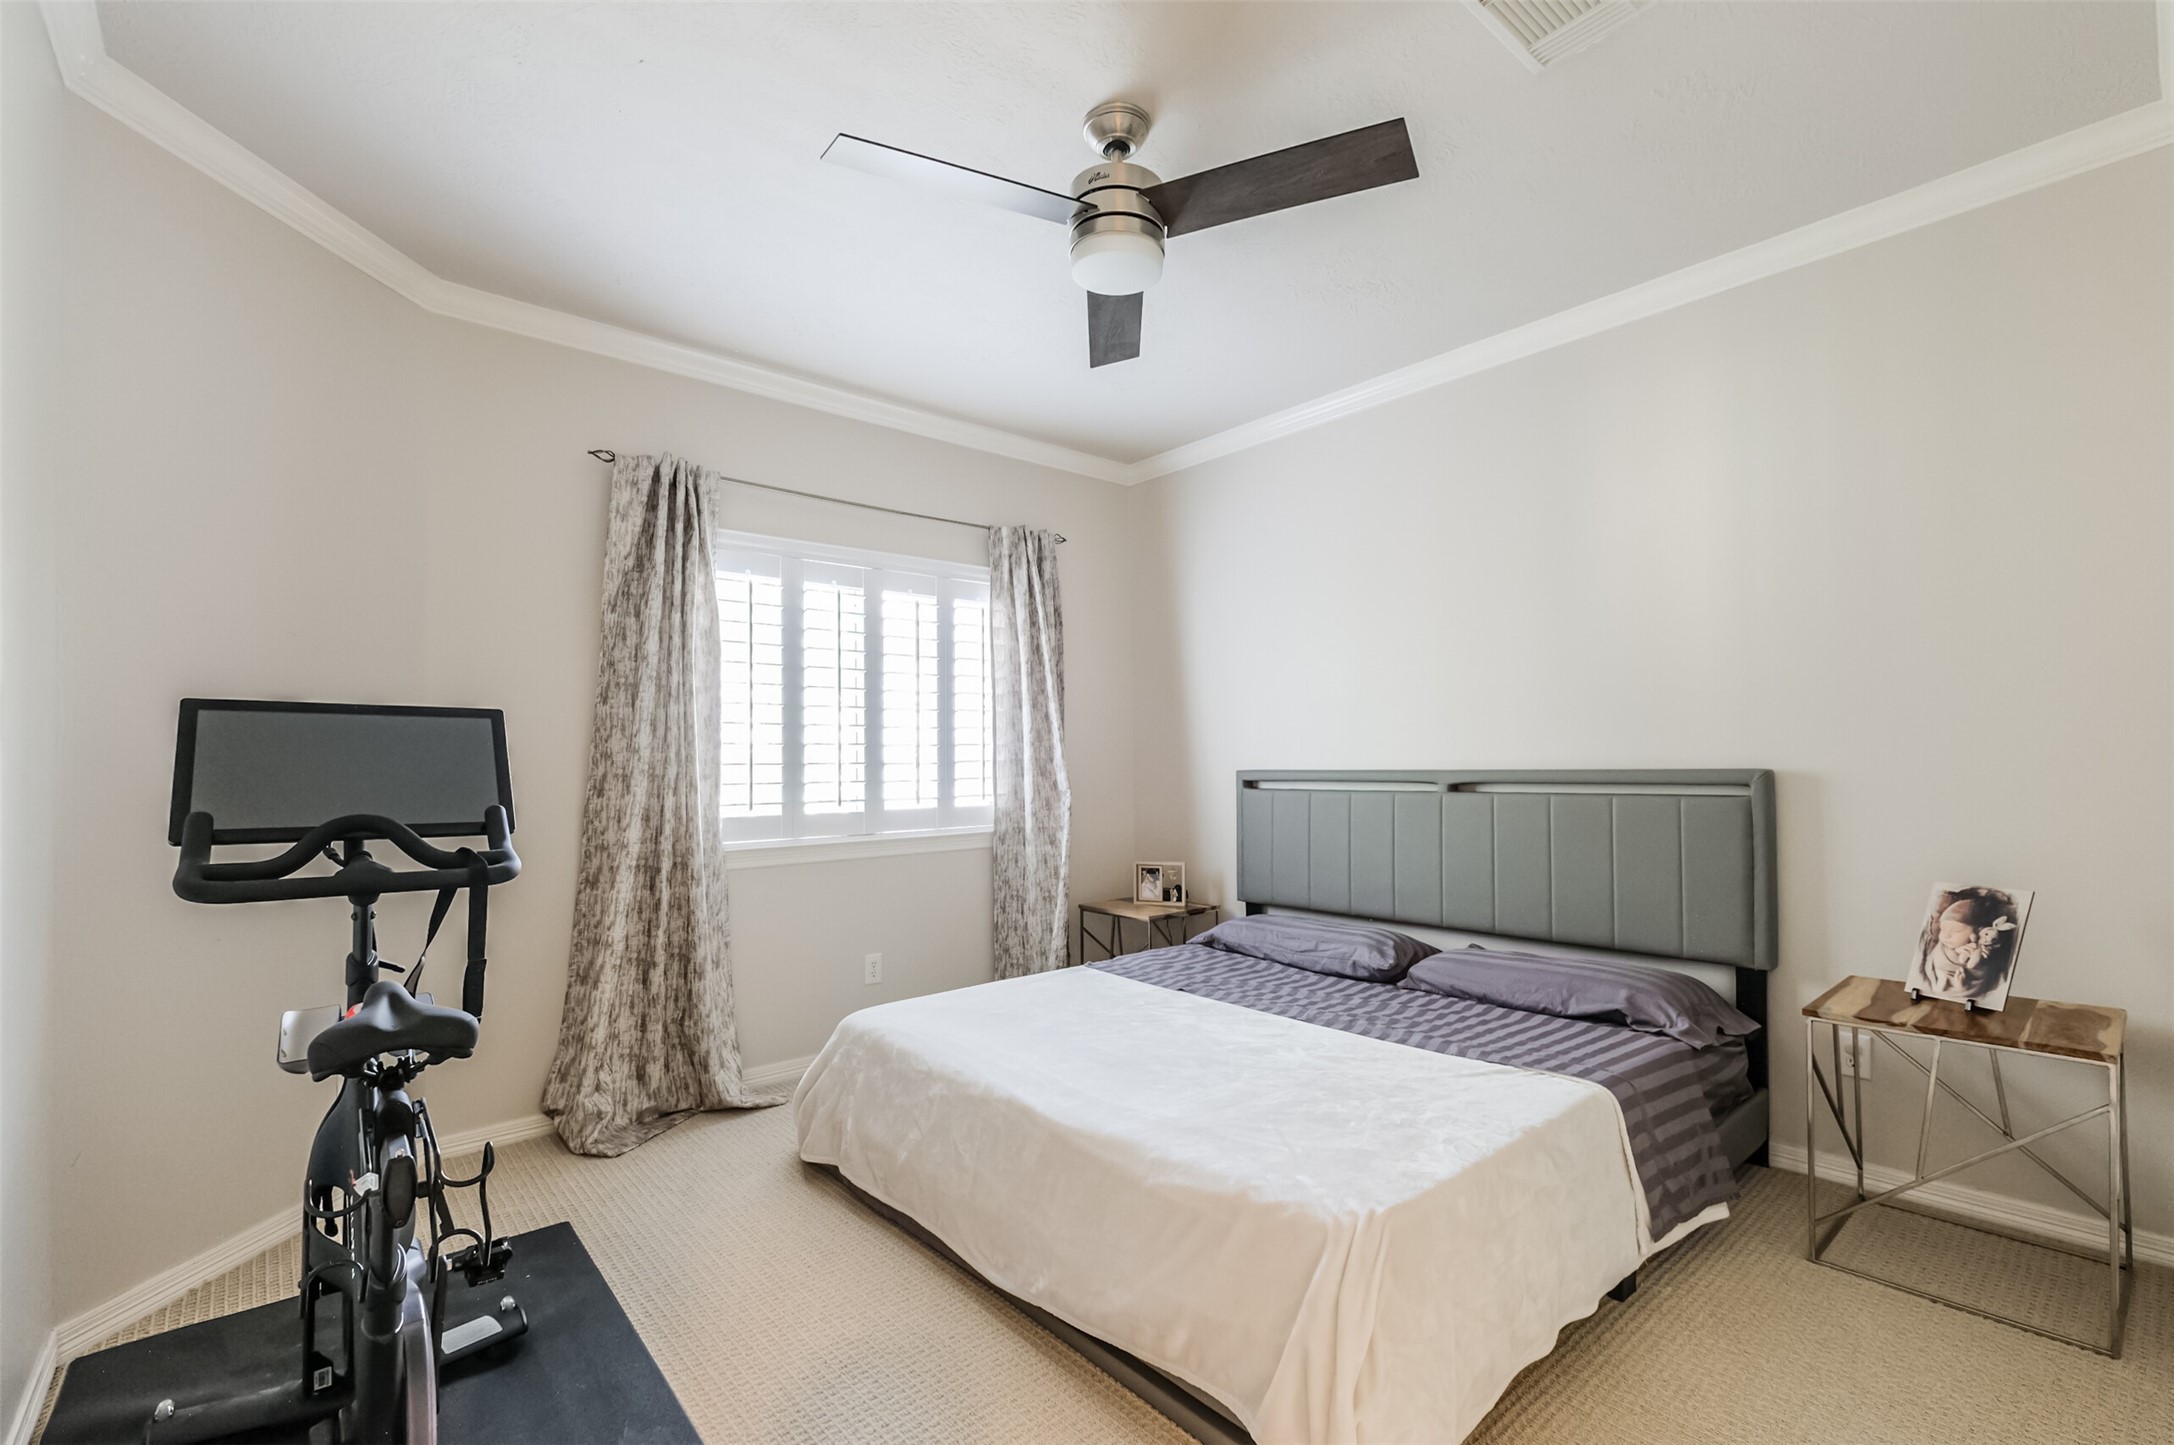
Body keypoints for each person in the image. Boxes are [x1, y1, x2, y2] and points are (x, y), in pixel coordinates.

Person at [1909, 890, 2019, 1004]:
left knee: (1966, 977)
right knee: (1938, 970)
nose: (1946, 935)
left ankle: (1959, 989)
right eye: (1943, 929)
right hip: (1938, 979)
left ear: (1976, 932)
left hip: (1966, 985)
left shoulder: (1979, 950)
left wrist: (1972, 955)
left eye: (1956, 930)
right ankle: (1940, 984)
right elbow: (1932, 960)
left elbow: (1976, 969)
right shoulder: (1941, 947)